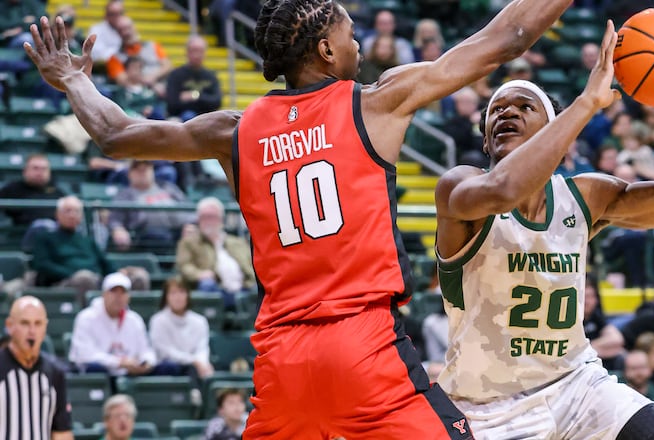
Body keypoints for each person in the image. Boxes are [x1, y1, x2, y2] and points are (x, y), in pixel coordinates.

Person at [28, 0, 574, 436]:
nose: (357, 40)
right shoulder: (374, 103)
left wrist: (74, 80)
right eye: (349, 32)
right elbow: (506, 39)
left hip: (282, 360)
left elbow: (118, 135)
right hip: (364, 346)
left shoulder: (234, 129)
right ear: (325, 50)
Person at [432, 19, 654, 439]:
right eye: (496, 111)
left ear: (554, 132)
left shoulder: (584, 197)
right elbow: (504, 189)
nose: (507, 113)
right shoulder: (460, 187)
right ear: (484, 142)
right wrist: (588, 101)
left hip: (578, 383)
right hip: (489, 407)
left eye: (523, 107)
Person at [31, 195, 150, 305]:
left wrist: (118, 273)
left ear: (81, 216)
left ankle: (135, 320)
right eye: (68, 211)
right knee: (84, 278)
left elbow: (104, 262)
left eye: (76, 211)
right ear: (57, 214)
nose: (72, 215)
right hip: (64, 283)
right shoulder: (45, 237)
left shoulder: (87, 240)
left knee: (139, 276)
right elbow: (42, 264)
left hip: (97, 279)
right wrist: (71, 273)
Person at [0, 296, 73, 440]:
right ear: (9, 326)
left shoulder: (55, 372)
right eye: (25, 323)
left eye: (38, 323)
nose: (32, 331)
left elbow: (62, 432)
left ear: (45, 327)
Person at [68, 272, 159, 377]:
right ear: (104, 294)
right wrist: (118, 362)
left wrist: (146, 362)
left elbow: (146, 350)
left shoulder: (135, 320)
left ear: (128, 297)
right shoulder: (86, 318)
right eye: (113, 291)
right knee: (95, 368)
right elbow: (85, 355)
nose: (118, 297)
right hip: (98, 374)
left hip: (130, 373)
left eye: (123, 292)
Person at [175, 196, 254, 309]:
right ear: (198, 220)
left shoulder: (238, 243)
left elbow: (251, 264)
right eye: (204, 217)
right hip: (215, 287)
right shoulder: (189, 242)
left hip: (244, 287)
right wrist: (199, 274)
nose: (208, 221)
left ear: (221, 219)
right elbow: (184, 266)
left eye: (212, 217)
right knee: (207, 285)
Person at [148, 277, 215, 378]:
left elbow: (202, 349)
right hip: (168, 368)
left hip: (195, 367)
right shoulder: (157, 320)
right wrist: (193, 361)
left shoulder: (200, 321)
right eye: (173, 293)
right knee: (171, 367)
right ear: (166, 297)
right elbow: (164, 352)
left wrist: (202, 363)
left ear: (188, 295)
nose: (178, 297)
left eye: (181, 292)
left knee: (206, 371)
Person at [164, 35, 222, 121]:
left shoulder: (211, 76)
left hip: (207, 119)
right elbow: (172, 104)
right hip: (180, 119)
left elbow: (217, 102)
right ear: (187, 52)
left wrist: (195, 96)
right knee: (187, 116)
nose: (197, 55)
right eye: (194, 50)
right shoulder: (175, 75)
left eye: (201, 51)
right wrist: (204, 101)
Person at [0, 153, 66, 228]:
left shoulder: (57, 192)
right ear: (25, 171)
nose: (40, 173)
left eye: (44, 169)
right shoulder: (12, 190)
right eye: (35, 168)